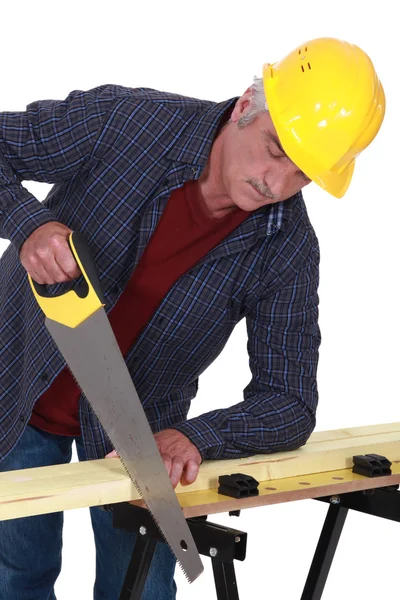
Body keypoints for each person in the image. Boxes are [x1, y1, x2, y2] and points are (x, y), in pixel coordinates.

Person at [0, 37, 385, 599]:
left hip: (141, 436)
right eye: (277, 150)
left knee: (143, 593)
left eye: (302, 174)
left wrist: (193, 436)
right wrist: (29, 223)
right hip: (18, 390)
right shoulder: (127, 122)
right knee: (18, 579)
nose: (275, 185)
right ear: (244, 108)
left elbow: (289, 401)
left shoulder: (288, 249)